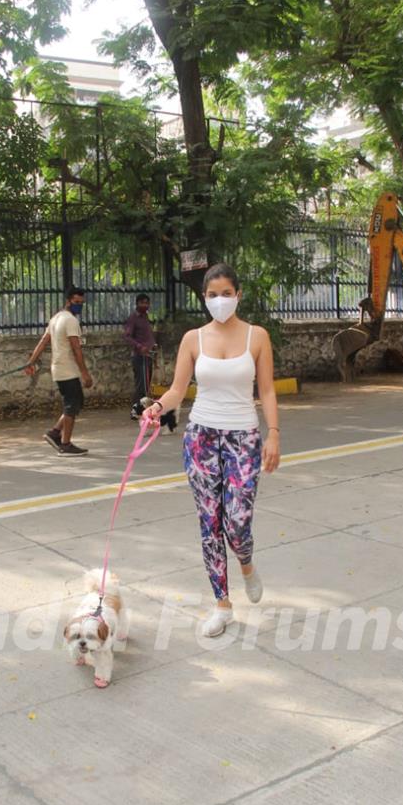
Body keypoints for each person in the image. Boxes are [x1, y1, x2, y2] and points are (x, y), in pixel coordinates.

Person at [142, 263, 280, 637]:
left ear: (238, 295)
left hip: (243, 439)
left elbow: (266, 390)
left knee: (237, 523)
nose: (220, 300)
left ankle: (247, 564)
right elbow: (176, 390)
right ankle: (222, 605)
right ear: (204, 298)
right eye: (212, 295)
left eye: (226, 293)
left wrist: (274, 434)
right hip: (201, 437)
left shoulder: (257, 336)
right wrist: (156, 409)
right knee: (210, 524)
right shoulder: (193, 339)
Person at [25, 286, 93, 456]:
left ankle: (55, 433)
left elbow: (43, 341)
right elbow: (76, 349)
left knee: (75, 403)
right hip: (67, 369)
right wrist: (85, 373)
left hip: (58, 368)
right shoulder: (70, 321)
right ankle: (65, 444)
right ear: (68, 300)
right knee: (71, 406)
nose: (79, 306)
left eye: (81, 303)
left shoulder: (56, 318)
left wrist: (31, 361)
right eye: (76, 302)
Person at [124, 294, 156, 419]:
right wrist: (139, 346)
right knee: (141, 385)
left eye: (147, 303)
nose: (145, 305)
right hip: (139, 356)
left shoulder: (146, 317)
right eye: (142, 303)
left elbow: (148, 335)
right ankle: (135, 411)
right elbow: (127, 336)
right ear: (137, 304)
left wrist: (153, 345)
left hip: (148, 355)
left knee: (146, 385)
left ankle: (142, 410)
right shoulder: (133, 318)